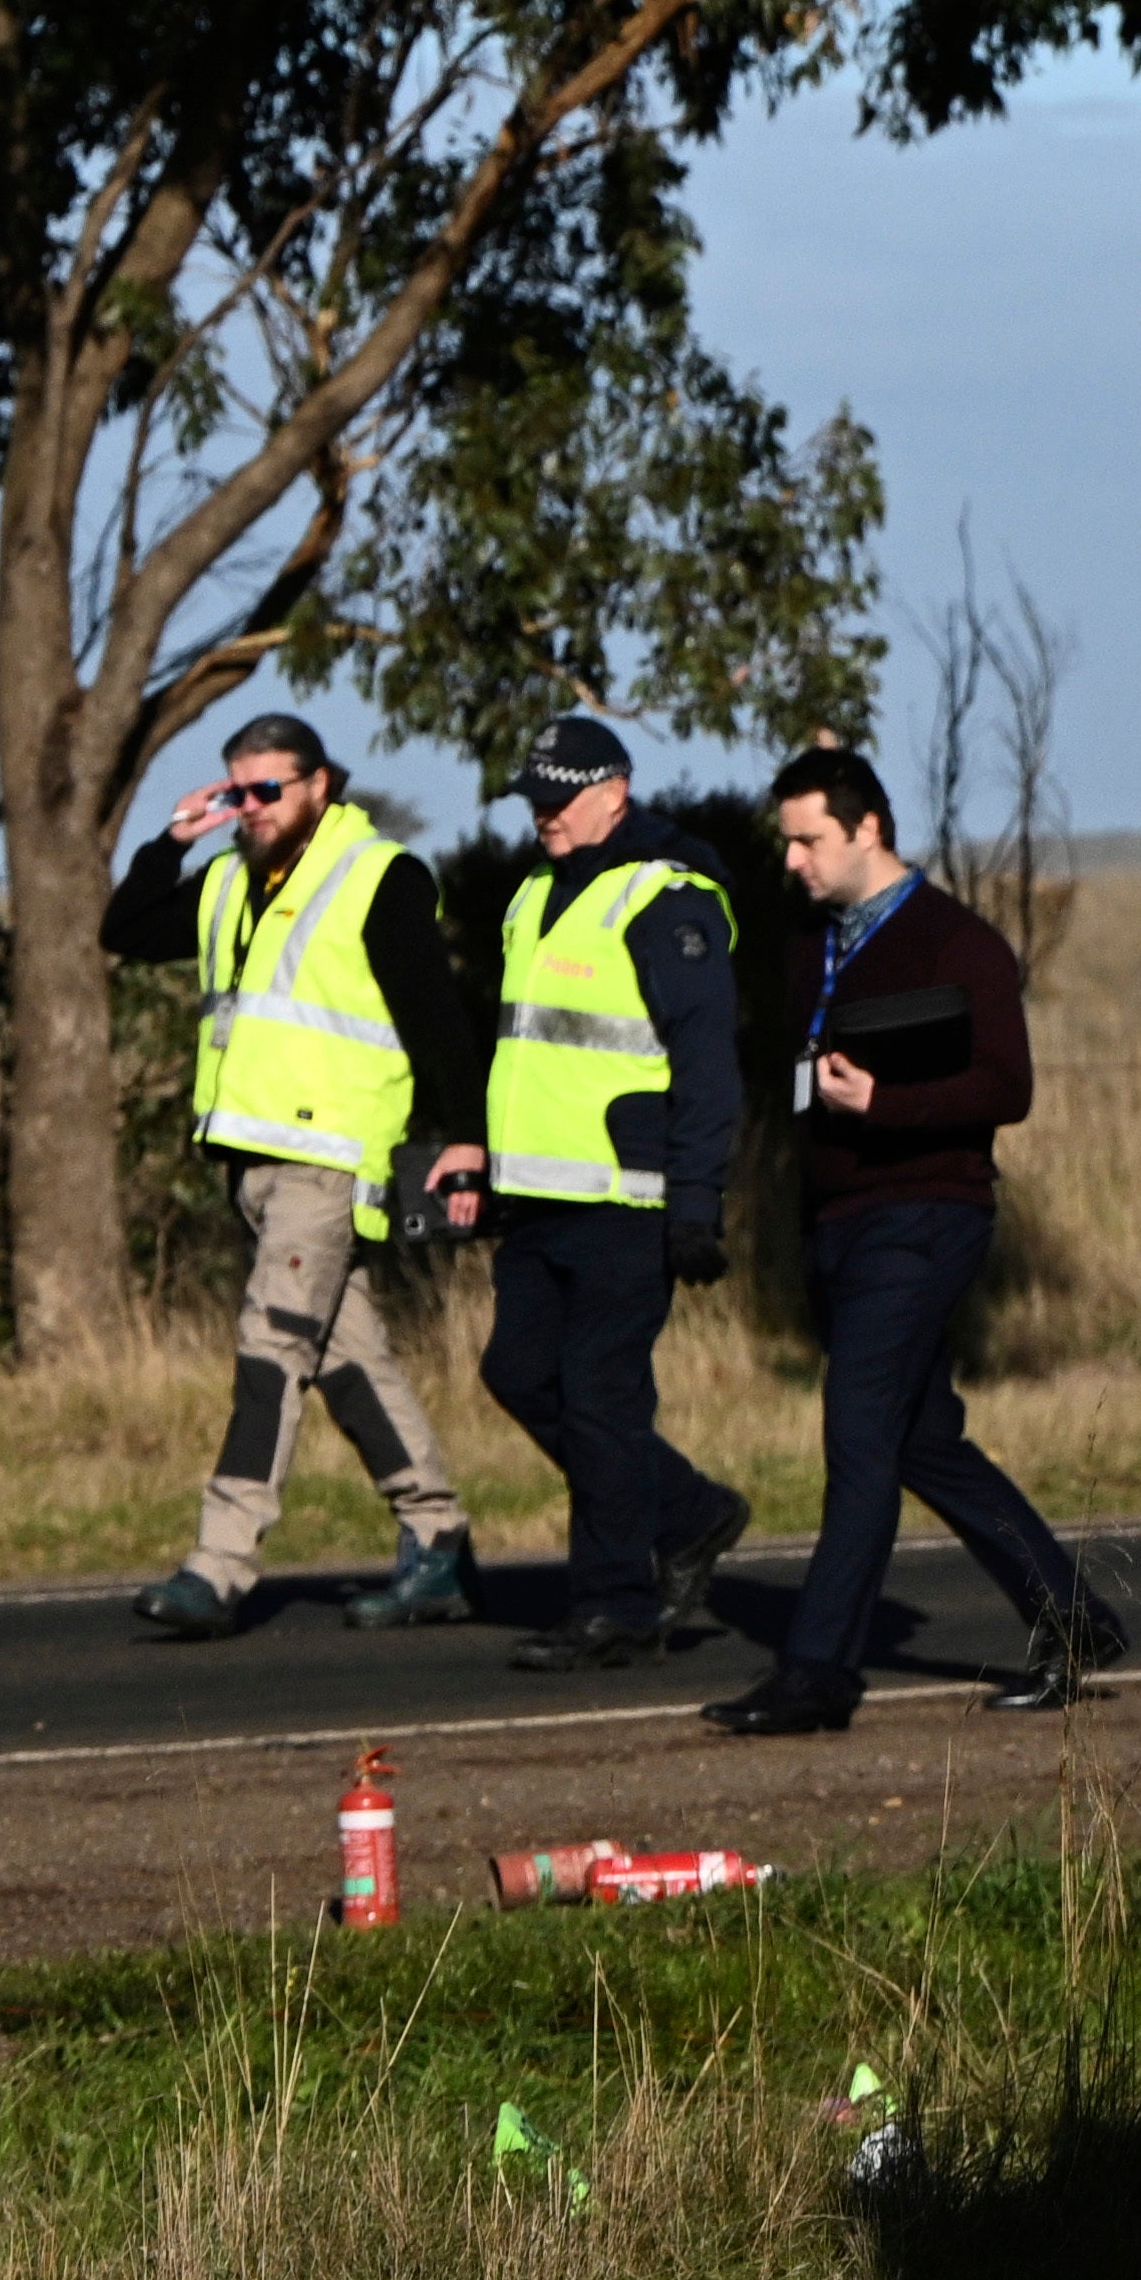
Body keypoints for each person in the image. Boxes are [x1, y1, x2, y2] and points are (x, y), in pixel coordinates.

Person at [706, 744, 1121, 1735]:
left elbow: (1005, 1088)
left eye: (809, 840)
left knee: (857, 1438)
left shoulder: (956, 942)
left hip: (926, 1215)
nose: (794, 861)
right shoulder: (813, 938)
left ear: (866, 829)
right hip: (840, 1224)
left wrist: (885, 1102)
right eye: (787, 842)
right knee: (923, 1441)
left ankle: (817, 1675)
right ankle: (1073, 1621)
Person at [102, 708, 486, 1636]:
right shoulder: (229, 879)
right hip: (258, 1169)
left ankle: (220, 1562)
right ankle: (438, 1542)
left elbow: (438, 1016)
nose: (253, 807)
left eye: (270, 788)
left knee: (271, 1345)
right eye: (239, 791)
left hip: (333, 1162)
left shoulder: (377, 876)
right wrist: (170, 840)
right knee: (350, 1360)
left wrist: (469, 1136)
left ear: (320, 785)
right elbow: (126, 928)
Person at [433, 710, 750, 1670]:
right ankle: (690, 1513)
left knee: (602, 1398)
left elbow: (707, 1065)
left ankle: (615, 1604)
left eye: (558, 799)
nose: (542, 816)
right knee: (520, 1375)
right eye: (533, 800)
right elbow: (525, 1055)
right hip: (536, 1198)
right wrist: (485, 1158)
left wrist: (696, 1203)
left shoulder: (668, 900)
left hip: (626, 1198)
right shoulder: (532, 895)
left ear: (615, 791)